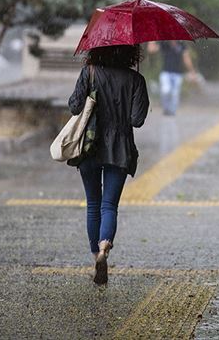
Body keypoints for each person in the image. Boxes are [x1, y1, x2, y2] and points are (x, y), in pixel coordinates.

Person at [68, 44, 149, 285]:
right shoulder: (136, 79)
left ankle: (96, 256)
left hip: (90, 145)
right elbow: (137, 120)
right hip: (120, 148)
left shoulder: (89, 72)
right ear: (129, 52)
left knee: (93, 204)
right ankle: (105, 247)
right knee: (109, 205)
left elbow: (74, 106)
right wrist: (136, 90)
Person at [157, 41, 196, 116]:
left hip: (178, 73)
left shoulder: (182, 45)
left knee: (175, 94)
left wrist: (191, 70)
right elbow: (151, 50)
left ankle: (172, 111)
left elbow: (186, 58)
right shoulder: (164, 44)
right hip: (166, 72)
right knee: (166, 90)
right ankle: (166, 108)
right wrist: (152, 40)